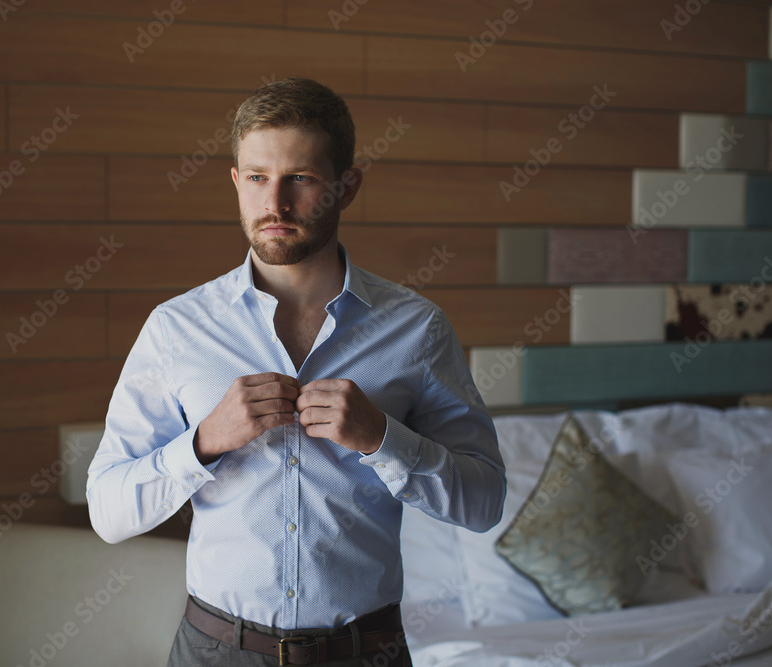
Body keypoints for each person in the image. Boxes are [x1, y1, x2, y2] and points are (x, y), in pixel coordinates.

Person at [86, 77, 506, 666]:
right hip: (216, 652)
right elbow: (107, 511)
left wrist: (384, 439)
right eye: (257, 178)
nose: (274, 205)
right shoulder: (175, 329)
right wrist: (204, 442)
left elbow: (484, 502)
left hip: (367, 653)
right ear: (236, 181)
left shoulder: (417, 329)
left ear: (347, 186)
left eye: (300, 179)